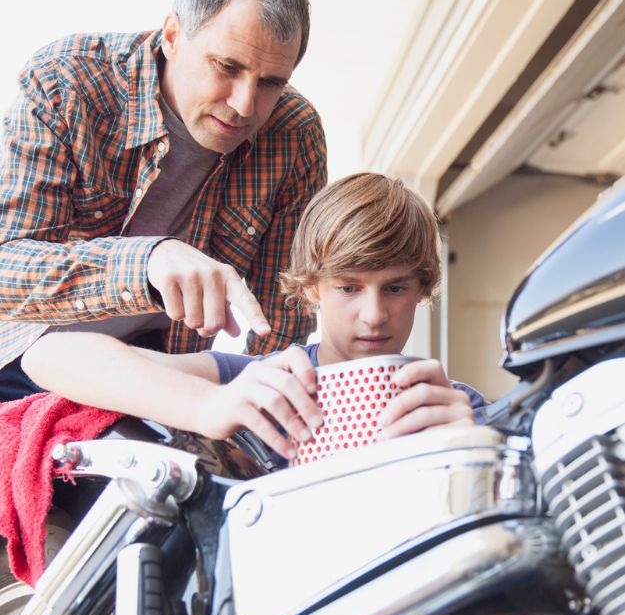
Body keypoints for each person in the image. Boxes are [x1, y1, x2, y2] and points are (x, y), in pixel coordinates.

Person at [22, 172, 485, 464]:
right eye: (348, 287)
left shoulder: (454, 406)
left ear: (422, 289)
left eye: (396, 288)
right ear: (309, 289)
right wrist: (209, 404)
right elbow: (47, 356)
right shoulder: (258, 382)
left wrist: (476, 452)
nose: (374, 315)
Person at [0, 0, 327, 400]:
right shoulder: (67, 82)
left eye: (271, 82)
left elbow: (283, 316)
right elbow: (6, 268)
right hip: (16, 356)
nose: (244, 105)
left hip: (149, 372)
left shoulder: (294, 135)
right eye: (227, 67)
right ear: (172, 36)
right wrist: (149, 260)